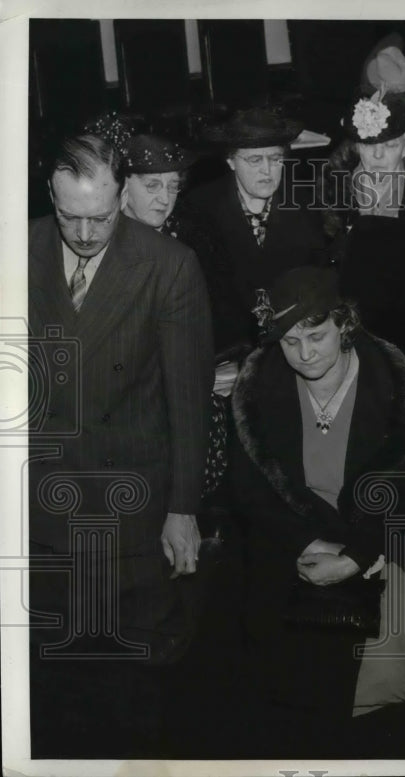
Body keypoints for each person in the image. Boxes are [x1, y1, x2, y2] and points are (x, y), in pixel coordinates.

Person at [28, 132, 214, 755]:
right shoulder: (17, 248)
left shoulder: (168, 265)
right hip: (40, 500)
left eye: (100, 218)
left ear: (122, 197)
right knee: (51, 674)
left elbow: (188, 402)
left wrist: (183, 510)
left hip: (129, 503)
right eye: (69, 217)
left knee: (133, 678)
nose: (83, 233)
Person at [228, 266, 405, 755]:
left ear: (345, 323)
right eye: (290, 342)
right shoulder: (258, 384)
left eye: (316, 336)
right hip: (291, 538)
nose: (304, 354)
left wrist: (358, 555)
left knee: (378, 689)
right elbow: (248, 488)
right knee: (276, 694)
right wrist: (301, 543)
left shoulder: (392, 381)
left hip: (375, 543)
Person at [324, 91, 405, 367]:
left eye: (391, 145)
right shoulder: (332, 192)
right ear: (356, 146)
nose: (379, 155)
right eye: (369, 146)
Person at [186, 108, 329, 347]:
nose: (267, 170)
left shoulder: (305, 204)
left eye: (275, 159)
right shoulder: (200, 208)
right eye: (254, 160)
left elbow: (315, 281)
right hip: (226, 345)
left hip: (294, 338)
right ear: (231, 161)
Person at [121, 133, 246, 355]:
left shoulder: (198, 234)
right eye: (152, 185)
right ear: (123, 184)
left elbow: (226, 314)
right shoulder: (98, 238)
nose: (165, 199)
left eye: (173, 186)